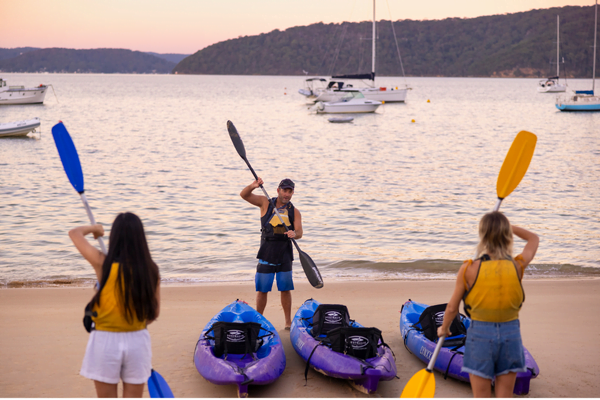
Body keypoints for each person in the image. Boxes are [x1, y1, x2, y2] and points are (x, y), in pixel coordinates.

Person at [437, 211, 539, 398]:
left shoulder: (468, 269)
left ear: (483, 236)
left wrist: (444, 328)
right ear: (507, 235)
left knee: (482, 395)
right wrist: (509, 227)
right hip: (510, 335)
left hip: (480, 337)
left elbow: (452, 307)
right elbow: (533, 238)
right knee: (505, 394)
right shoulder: (517, 265)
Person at [69, 212, 161, 398]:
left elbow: (74, 233)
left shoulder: (103, 263)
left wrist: (94, 228)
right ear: (141, 238)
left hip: (105, 341)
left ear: (115, 237)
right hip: (137, 341)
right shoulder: (150, 270)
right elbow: (153, 314)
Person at [240, 177, 303, 330]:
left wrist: (294, 234)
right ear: (278, 190)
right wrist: (253, 186)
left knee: (285, 289)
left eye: (290, 191)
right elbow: (244, 195)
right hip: (267, 252)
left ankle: (288, 323)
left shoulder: (294, 211)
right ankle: (258, 320)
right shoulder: (265, 202)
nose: (287, 194)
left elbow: (300, 232)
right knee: (262, 290)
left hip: (285, 254)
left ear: (292, 192)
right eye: (284, 190)